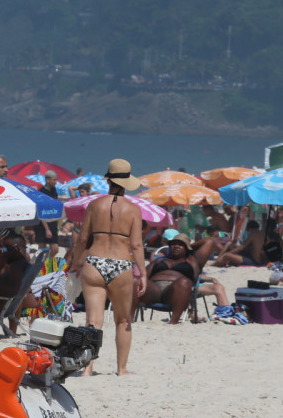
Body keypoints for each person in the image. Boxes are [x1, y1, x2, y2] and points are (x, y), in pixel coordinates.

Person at [71, 159, 146, 375]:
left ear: (109, 180)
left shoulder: (94, 205)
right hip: (121, 264)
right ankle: (121, 369)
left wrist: (76, 263)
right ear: (126, 183)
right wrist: (143, 273)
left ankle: (87, 368)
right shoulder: (133, 209)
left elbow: (83, 240)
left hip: (95, 261)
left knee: (93, 321)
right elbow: (136, 245)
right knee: (123, 320)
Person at [138, 232, 220, 324]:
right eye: (173, 244)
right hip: (154, 291)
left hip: (175, 292)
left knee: (184, 282)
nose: (176, 246)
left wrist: (188, 247)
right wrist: (182, 246)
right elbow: (143, 276)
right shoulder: (159, 260)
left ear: (187, 248)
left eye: (180, 244)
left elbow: (210, 241)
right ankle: (127, 320)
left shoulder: (193, 261)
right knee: (135, 280)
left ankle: (173, 322)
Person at [34, 171, 61, 246]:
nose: (56, 182)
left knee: (55, 249)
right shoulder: (41, 192)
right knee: (42, 249)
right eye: (54, 180)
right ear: (48, 180)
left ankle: (48, 258)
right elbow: (40, 211)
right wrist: (47, 229)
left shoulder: (54, 190)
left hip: (53, 222)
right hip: (42, 225)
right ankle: (43, 258)